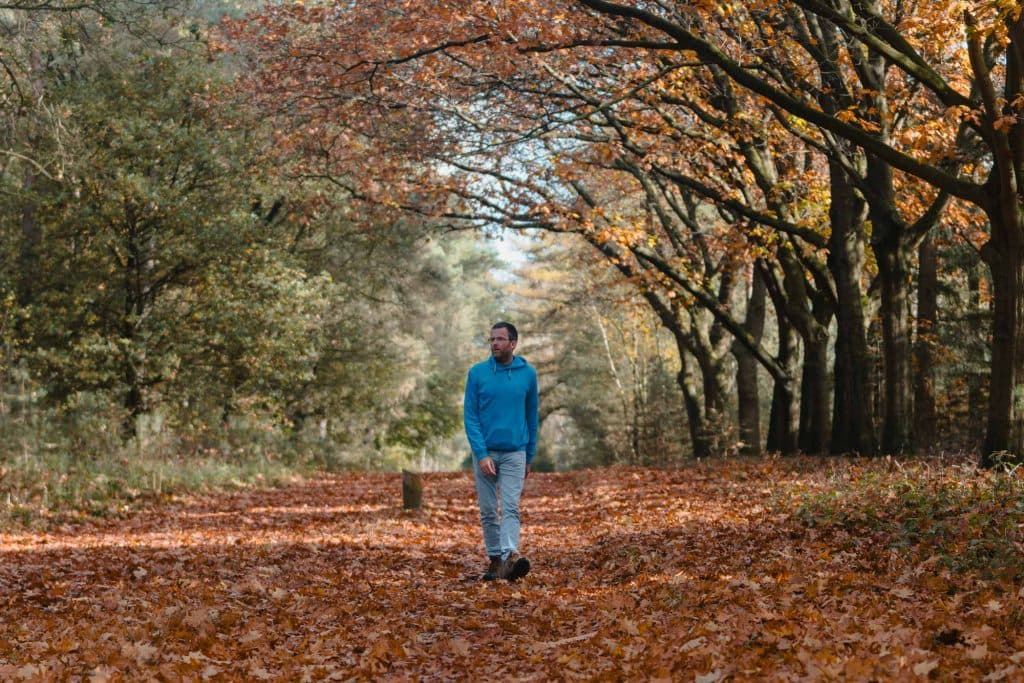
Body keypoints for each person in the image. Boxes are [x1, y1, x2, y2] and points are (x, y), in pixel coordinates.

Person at [463, 321, 539, 582]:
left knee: (510, 507)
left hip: (515, 453)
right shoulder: (477, 373)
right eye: (492, 339)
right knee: (487, 510)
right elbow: (470, 417)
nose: (494, 343)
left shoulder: (527, 374)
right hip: (485, 452)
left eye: (500, 339)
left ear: (513, 343)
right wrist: (481, 453)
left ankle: (509, 557)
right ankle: (496, 560)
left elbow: (532, 416)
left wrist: (529, 455)